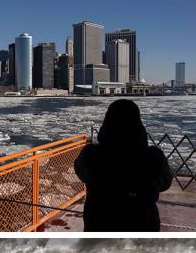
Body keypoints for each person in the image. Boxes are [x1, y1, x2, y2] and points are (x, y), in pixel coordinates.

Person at [74, 99, 173, 232]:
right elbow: (166, 182)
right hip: (142, 225)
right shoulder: (153, 157)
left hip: (99, 224)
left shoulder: (91, 155)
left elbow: (80, 170)